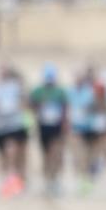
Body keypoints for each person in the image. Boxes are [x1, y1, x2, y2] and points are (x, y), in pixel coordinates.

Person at [0, 64, 28, 197]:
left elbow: (25, 98)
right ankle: (7, 181)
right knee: (3, 156)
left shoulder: (15, 86)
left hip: (14, 125)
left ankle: (15, 181)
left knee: (13, 153)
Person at [29, 64, 69, 197]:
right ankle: (48, 178)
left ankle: (55, 178)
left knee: (56, 153)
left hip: (56, 126)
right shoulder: (38, 91)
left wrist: (65, 124)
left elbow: (65, 108)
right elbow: (31, 105)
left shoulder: (60, 91)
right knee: (46, 155)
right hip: (43, 126)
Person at [70, 66, 106, 194]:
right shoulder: (71, 92)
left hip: (91, 128)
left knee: (91, 156)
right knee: (81, 156)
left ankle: (88, 178)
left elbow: (100, 106)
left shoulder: (91, 91)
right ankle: (84, 180)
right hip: (78, 129)